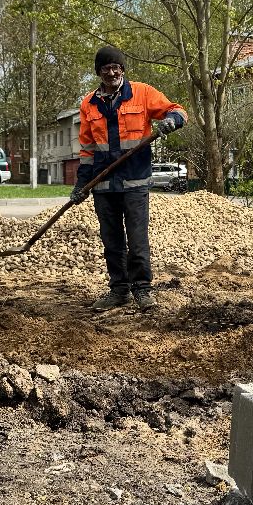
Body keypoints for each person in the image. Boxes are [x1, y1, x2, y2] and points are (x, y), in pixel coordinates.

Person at [70, 45, 185, 311]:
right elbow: (87, 149)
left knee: (137, 239)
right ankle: (119, 290)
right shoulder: (89, 103)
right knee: (111, 241)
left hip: (134, 182)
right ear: (98, 72)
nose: (111, 72)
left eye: (115, 67)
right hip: (103, 184)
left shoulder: (142, 93)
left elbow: (178, 110)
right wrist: (81, 184)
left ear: (122, 69)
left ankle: (142, 290)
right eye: (105, 68)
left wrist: (171, 122)